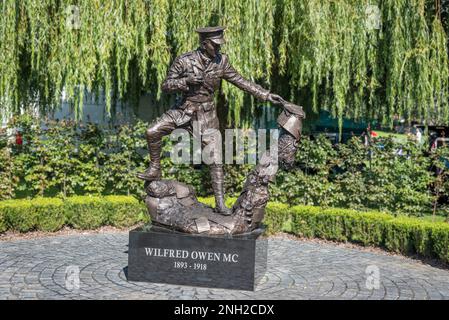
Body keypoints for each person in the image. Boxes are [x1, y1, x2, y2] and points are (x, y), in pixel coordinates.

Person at [137, 26, 284, 215]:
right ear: (204, 43)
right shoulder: (185, 60)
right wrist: (186, 81)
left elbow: (241, 81)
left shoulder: (222, 61)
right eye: (215, 45)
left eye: (220, 44)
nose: (218, 48)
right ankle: (155, 168)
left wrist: (266, 95)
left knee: (215, 160)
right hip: (183, 110)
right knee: (152, 131)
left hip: (206, 115)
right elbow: (166, 85)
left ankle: (220, 204)